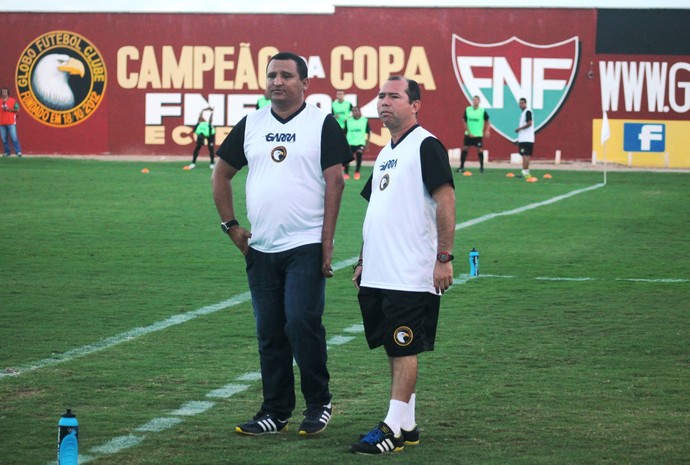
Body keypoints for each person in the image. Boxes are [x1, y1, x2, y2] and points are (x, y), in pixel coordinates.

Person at [212, 51, 352, 437]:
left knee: (302, 323)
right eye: (272, 75)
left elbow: (335, 182)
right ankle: (274, 410)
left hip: (305, 244)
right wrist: (231, 227)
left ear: (305, 83)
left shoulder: (322, 122)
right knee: (270, 331)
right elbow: (221, 174)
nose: (277, 81)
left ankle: (318, 402)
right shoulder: (252, 123)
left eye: (287, 75)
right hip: (261, 247)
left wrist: (326, 242)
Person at [350, 76, 456, 455]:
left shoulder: (426, 145)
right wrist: (363, 260)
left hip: (410, 272)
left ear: (414, 105)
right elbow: (374, 211)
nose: (384, 102)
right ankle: (407, 424)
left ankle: (391, 427)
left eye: (394, 96)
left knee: (403, 346)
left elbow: (445, 200)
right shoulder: (384, 153)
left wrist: (444, 257)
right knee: (393, 348)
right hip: (380, 270)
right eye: (380, 96)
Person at [458, 95, 489, 173]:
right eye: (474, 100)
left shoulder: (482, 111)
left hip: (478, 134)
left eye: (476, 100)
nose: (475, 101)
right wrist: (468, 132)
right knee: (465, 148)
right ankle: (461, 166)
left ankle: (481, 167)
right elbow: (464, 121)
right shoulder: (468, 109)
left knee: (480, 150)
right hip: (468, 134)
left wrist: (487, 130)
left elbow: (487, 121)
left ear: (479, 101)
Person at [343, 106, 370, 180]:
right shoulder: (348, 121)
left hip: (360, 142)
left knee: (359, 154)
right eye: (353, 111)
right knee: (347, 159)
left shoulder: (364, 120)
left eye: (356, 110)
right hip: (350, 143)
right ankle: (346, 173)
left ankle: (357, 172)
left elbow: (368, 132)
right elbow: (344, 133)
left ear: (359, 112)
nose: (354, 112)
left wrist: (367, 144)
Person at [515, 97, 535, 178]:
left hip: (527, 138)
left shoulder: (528, 112)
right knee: (524, 155)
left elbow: (529, 123)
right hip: (523, 138)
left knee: (526, 155)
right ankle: (524, 172)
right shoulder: (523, 113)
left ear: (525, 103)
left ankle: (526, 172)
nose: (521, 105)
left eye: (522, 103)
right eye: (520, 103)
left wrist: (520, 128)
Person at [1, 88, 22, 157]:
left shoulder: (13, 101)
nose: (4, 93)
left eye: (5, 92)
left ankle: (18, 152)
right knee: (4, 139)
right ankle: (7, 152)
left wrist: (9, 109)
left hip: (11, 122)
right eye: (3, 92)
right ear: (1, 93)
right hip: (1, 123)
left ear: (8, 93)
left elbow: (17, 109)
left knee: (14, 137)